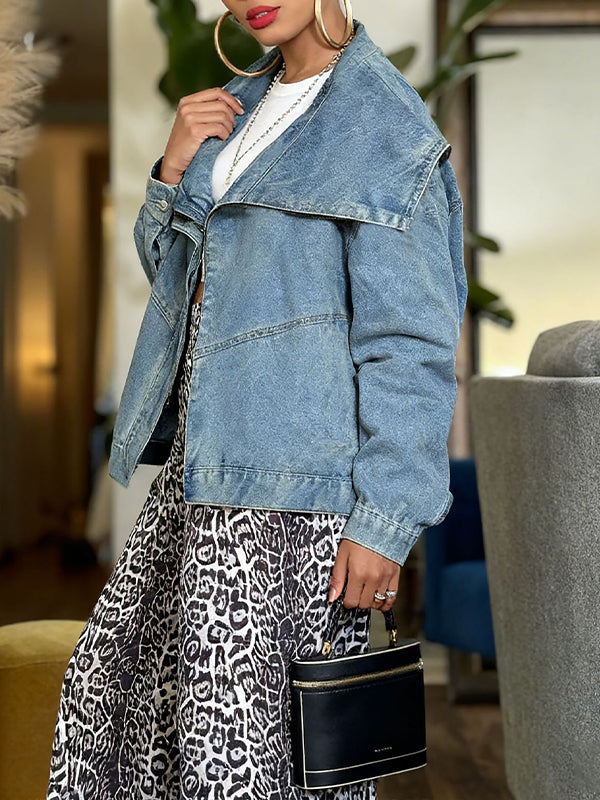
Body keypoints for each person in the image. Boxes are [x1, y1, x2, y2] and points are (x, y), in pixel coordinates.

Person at [46, 1, 467, 798]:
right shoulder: (239, 106)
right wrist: (173, 172)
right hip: (201, 476)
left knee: (245, 761)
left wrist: (385, 521)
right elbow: (179, 290)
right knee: (121, 710)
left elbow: (410, 347)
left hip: (291, 502)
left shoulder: (384, 126)